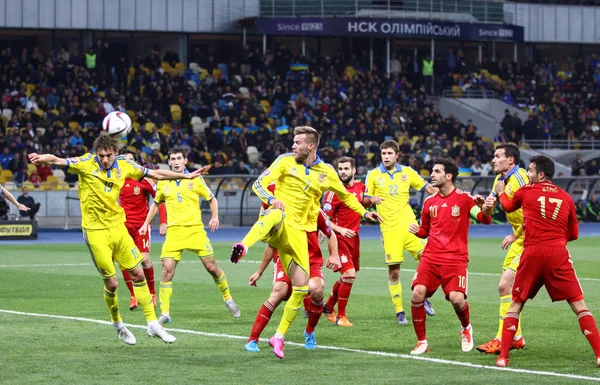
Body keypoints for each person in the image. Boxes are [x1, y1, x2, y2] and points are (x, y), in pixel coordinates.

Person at [27, 134, 205, 345]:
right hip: (95, 232)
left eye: (108, 155)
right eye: (101, 156)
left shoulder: (125, 165)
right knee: (112, 284)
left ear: (115, 153)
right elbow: (57, 159)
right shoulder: (85, 163)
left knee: (138, 273)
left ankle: (153, 324)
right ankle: (118, 324)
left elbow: (155, 173)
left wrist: (186, 177)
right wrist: (41, 157)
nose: (104, 160)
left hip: (117, 228)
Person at [230, 126, 381, 359]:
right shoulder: (283, 161)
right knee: (275, 213)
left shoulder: (326, 173)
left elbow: (346, 196)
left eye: (297, 142)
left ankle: (280, 336)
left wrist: (363, 213)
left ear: (310, 146)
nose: (293, 145)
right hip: (280, 227)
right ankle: (244, 245)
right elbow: (258, 184)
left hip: (301, 237)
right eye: (293, 141)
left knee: (304, 288)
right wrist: (272, 198)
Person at [493, 155, 600, 368]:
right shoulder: (566, 197)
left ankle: (503, 357)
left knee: (516, 304)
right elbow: (574, 233)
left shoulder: (526, 191)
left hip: (532, 253)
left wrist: (500, 191)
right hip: (558, 253)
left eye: (530, 171)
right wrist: (556, 240)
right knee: (579, 305)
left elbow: (507, 206)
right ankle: (599, 355)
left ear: (540, 174)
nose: (528, 174)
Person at [139, 146, 240, 326]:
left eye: (179, 158)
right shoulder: (163, 182)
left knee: (211, 267)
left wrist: (215, 217)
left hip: (195, 230)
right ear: (169, 162)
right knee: (166, 269)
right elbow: (155, 203)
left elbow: (211, 199)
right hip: (174, 232)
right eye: (173, 159)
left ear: (185, 160)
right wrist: (146, 223)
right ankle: (165, 313)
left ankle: (228, 298)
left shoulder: (196, 178)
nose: (176, 162)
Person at [408, 158, 491, 355]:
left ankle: (466, 328)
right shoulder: (429, 202)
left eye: (436, 171)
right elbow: (425, 231)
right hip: (430, 257)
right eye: (432, 171)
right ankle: (422, 342)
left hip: (455, 259)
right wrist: (416, 231)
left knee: (456, 299)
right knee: (417, 293)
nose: (432, 175)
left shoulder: (464, 199)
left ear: (448, 176)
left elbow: (483, 219)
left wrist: (485, 207)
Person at [245, 199, 339, 353]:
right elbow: (271, 245)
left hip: (311, 260)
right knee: (279, 291)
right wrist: (259, 272)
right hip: (287, 258)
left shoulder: (316, 212)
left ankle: (309, 332)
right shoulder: (283, 211)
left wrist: (334, 255)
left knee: (317, 288)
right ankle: (253, 339)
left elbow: (331, 234)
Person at [364, 140, 437, 324]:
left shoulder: (407, 172)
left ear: (397, 155)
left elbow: (429, 189)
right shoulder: (373, 175)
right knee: (394, 272)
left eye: (389, 153)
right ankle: (400, 312)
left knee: (429, 260)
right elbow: (364, 200)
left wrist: (449, 195)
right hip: (389, 230)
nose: (386, 157)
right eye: (383, 153)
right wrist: (371, 199)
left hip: (410, 227)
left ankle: (422, 294)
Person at [476, 144, 528, 354]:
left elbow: (535, 213)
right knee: (509, 288)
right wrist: (484, 205)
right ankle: (515, 336)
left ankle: (501, 338)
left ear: (511, 160)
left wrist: (515, 234)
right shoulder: (500, 181)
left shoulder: (522, 179)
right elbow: (489, 210)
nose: (493, 160)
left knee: (505, 285)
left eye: (498, 156)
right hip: (521, 240)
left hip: (534, 239)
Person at [118, 149, 167, 311]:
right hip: (123, 226)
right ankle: (134, 295)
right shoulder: (117, 178)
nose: (128, 163)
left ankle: (152, 293)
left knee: (144, 260)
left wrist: (163, 222)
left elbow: (159, 199)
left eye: (131, 160)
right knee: (125, 262)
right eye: (125, 160)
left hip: (142, 226)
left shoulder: (144, 178)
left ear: (136, 162)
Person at [322, 156, 366, 326]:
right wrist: (340, 229)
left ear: (354, 170)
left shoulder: (361, 187)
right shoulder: (333, 192)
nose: (343, 172)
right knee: (349, 275)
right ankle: (341, 317)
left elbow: (364, 200)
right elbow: (324, 219)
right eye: (340, 169)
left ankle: (328, 306)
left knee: (346, 277)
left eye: (346, 168)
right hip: (339, 239)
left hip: (355, 238)